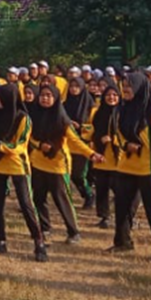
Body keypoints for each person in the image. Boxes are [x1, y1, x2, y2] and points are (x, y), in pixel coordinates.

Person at [108, 72, 151, 261]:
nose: (125, 89)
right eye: (124, 86)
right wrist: (126, 144)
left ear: (139, 88)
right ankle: (122, 242)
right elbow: (118, 133)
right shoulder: (121, 109)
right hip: (127, 164)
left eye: (129, 86)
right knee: (122, 206)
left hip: (150, 167)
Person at [29, 85, 103, 245]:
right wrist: (40, 144)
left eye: (49, 95)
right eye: (42, 95)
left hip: (57, 165)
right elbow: (29, 137)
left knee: (62, 199)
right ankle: (44, 228)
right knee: (38, 198)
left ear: (56, 98)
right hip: (38, 163)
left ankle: (73, 232)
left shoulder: (62, 119)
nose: (45, 98)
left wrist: (91, 154)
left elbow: (75, 141)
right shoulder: (34, 115)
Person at [0, 84, 47, 260]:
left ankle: (39, 241)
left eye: (0, 97)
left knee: (26, 204)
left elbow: (20, 145)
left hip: (17, 164)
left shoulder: (23, 119)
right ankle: (0, 240)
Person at [87, 86, 122, 229]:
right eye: (108, 95)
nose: (111, 97)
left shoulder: (123, 112)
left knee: (120, 190)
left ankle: (124, 216)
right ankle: (104, 216)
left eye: (115, 95)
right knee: (101, 189)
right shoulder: (97, 112)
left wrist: (113, 139)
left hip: (118, 158)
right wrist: (93, 142)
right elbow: (89, 129)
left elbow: (129, 133)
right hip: (101, 156)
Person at [64, 77, 96, 209]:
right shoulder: (65, 104)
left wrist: (81, 126)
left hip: (83, 144)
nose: (74, 89)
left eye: (77, 86)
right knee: (71, 174)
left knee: (79, 174)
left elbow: (94, 126)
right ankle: (85, 195)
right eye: (71, 86)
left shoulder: (90, 106)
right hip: (67, 143)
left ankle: (89, 194)